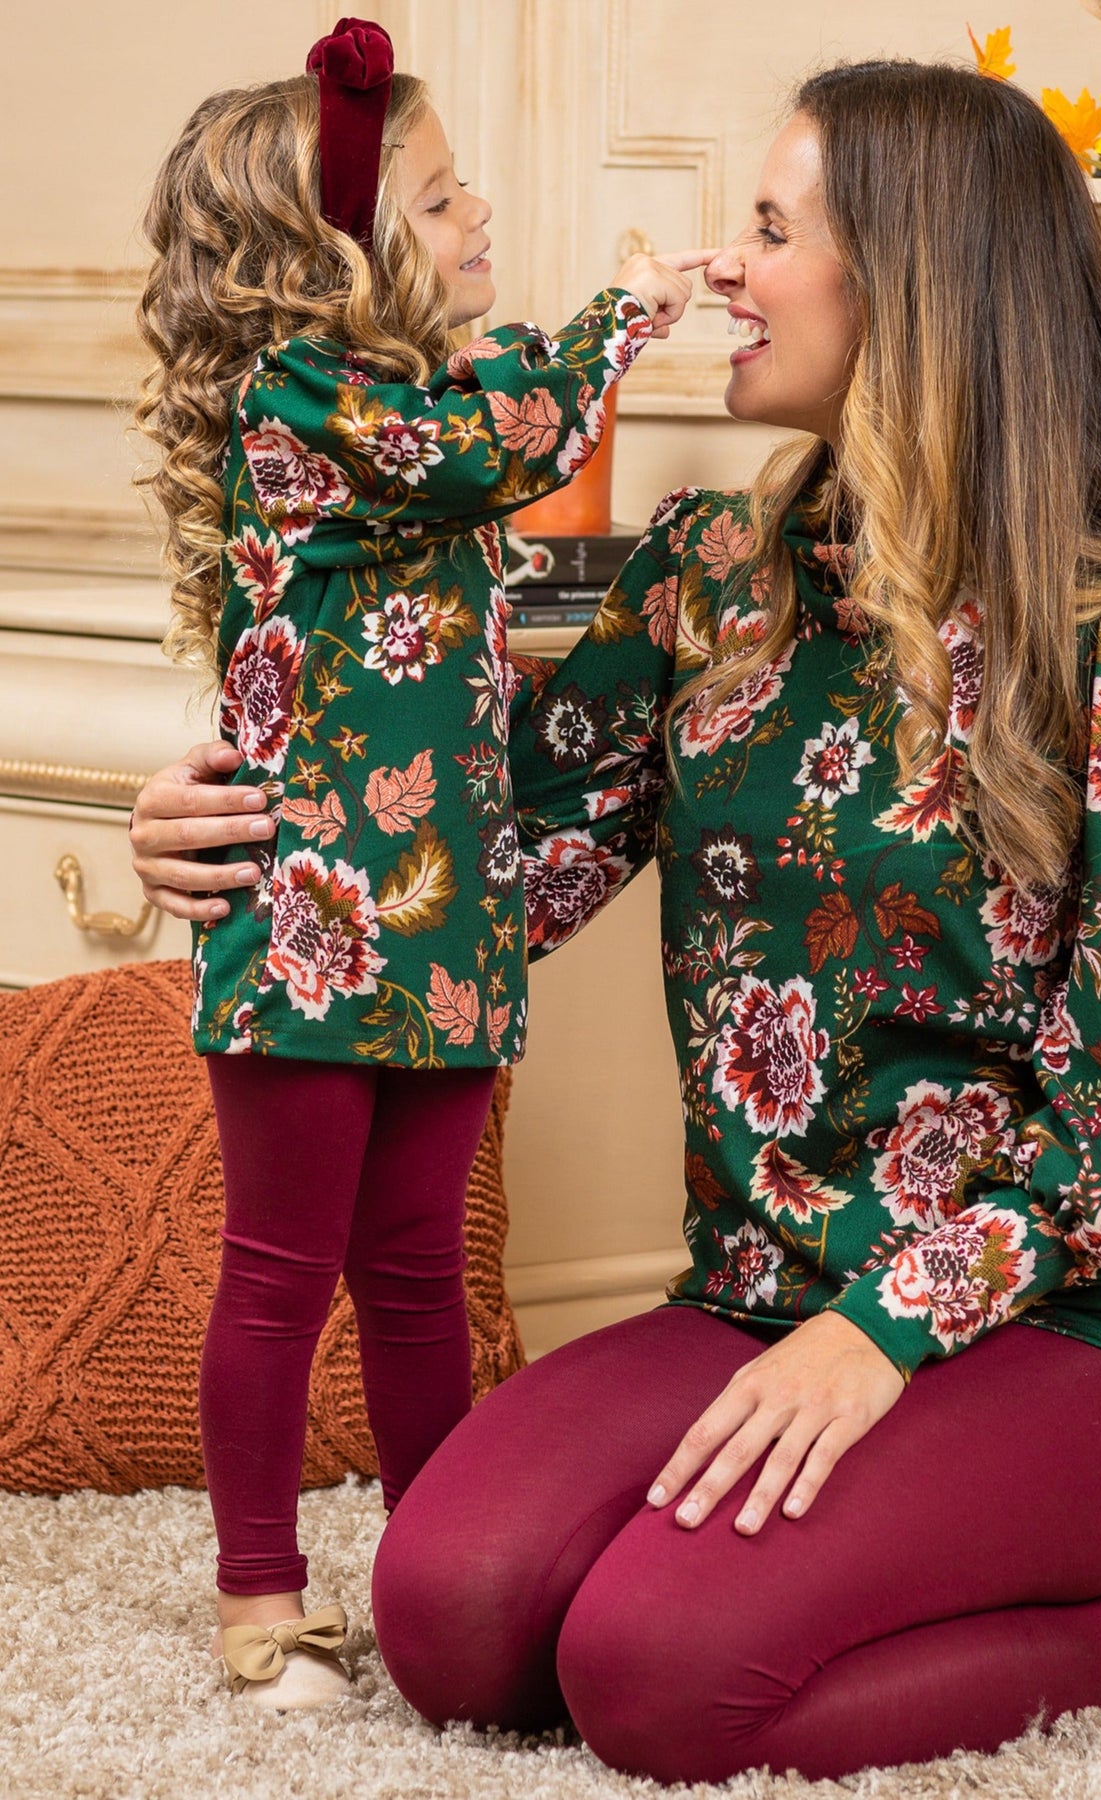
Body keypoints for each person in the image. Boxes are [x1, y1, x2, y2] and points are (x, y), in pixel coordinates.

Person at [131, 56, 1101, 1782]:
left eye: (771, 228)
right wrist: (235, 840)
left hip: (1065, 1328)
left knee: (661, 1680)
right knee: (446, 1624)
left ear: (915, 286)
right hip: (752, 1293)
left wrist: (878, 1336)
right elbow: (480, 885)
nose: (724, 264)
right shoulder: (704, 581)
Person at [133, 15, 708, 1710]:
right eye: (444, 198)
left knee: (417, 1272)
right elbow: (493, 443)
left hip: (445, 918)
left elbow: (475, 447)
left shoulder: (408, 405)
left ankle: (445, 1575)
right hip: (308, 919)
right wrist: (629, 310)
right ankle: (258, 1601)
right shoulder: (309, 400)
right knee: (278, 1276)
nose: (478, 216)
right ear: (341, 247)